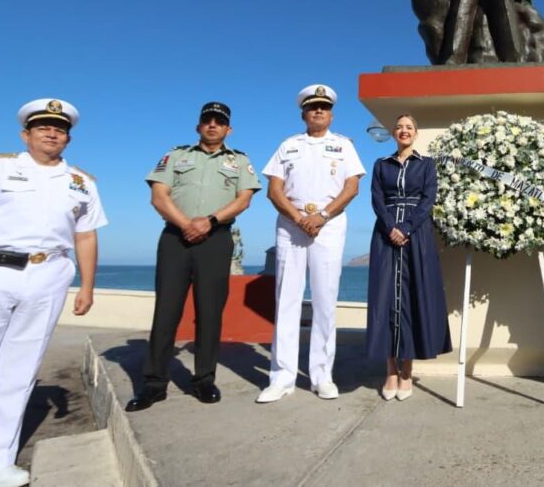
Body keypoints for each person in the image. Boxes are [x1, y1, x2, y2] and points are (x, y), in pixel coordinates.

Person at [0, 98, 105, 487]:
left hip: (48, 274)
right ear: (26, 134)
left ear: (67, 137)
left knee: (19, 372)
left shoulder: (81, 182)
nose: (52, 132)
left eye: (60, 128)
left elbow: (85, 236)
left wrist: (86, 286)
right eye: (43, 127)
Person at [126, 102, 261, 412]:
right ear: (198, 126)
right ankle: (154, 384)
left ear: (229, 129)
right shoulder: (176, 156)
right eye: (207, 121)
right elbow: (158, 196)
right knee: (166, 311)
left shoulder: (239, 161)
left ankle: (203, 380)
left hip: (216, 240)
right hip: (176, 238)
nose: (212, 125)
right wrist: (187, 224)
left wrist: (209, 222)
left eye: (219, 122)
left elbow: (244, 200)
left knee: (210, 311)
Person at [257, 85, 365, 403]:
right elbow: (274, 189)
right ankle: (281, 378)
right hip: (291, 229)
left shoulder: (343, 145)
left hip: (328, 228)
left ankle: (322, 376)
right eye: (312, 107)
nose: (318, 111)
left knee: (324, 303)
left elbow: (352, 187)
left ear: (331, 114)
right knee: (286, 303)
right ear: (303, 113)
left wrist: (322, 216)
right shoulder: (288, 145)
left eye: (323, 107)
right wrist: (297, 217)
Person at [365, 114, 452, 401]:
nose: (404, 131)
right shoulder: (381, 165)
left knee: (413, 297)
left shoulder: (426, 165)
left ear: (416, 134)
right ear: (393, 133)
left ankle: (407, 371)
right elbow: (377, 198)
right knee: (386, 299)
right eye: (399, 127)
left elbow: (428, 199)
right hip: (385, 235)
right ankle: (390, 370)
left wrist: (405, 227)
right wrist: (391, 226)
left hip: (417, 236)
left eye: (409, 127)